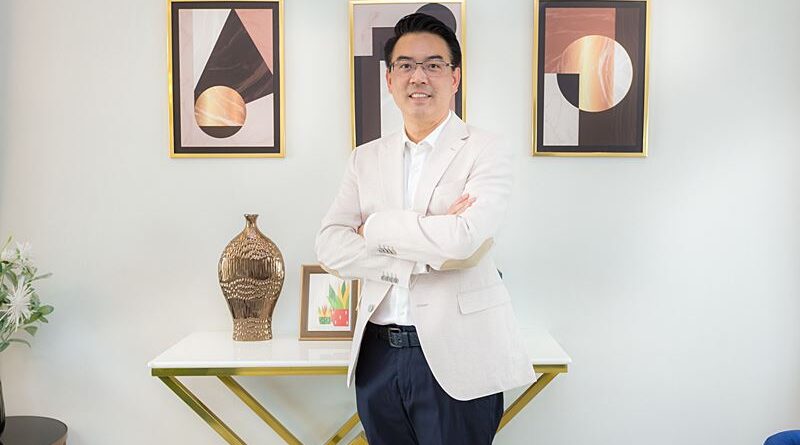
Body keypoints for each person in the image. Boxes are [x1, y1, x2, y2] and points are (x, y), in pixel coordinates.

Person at [315, 12, 534, 445]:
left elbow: (464, 239)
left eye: (434, 65)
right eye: (406, 65)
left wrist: (374, 228)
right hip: (378, 354)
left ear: (455, 78)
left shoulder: (486, 150)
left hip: (458, 356)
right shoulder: (365, 158)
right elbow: (330, 246)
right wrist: (426, 247)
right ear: (389, 79)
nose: (419, 77)